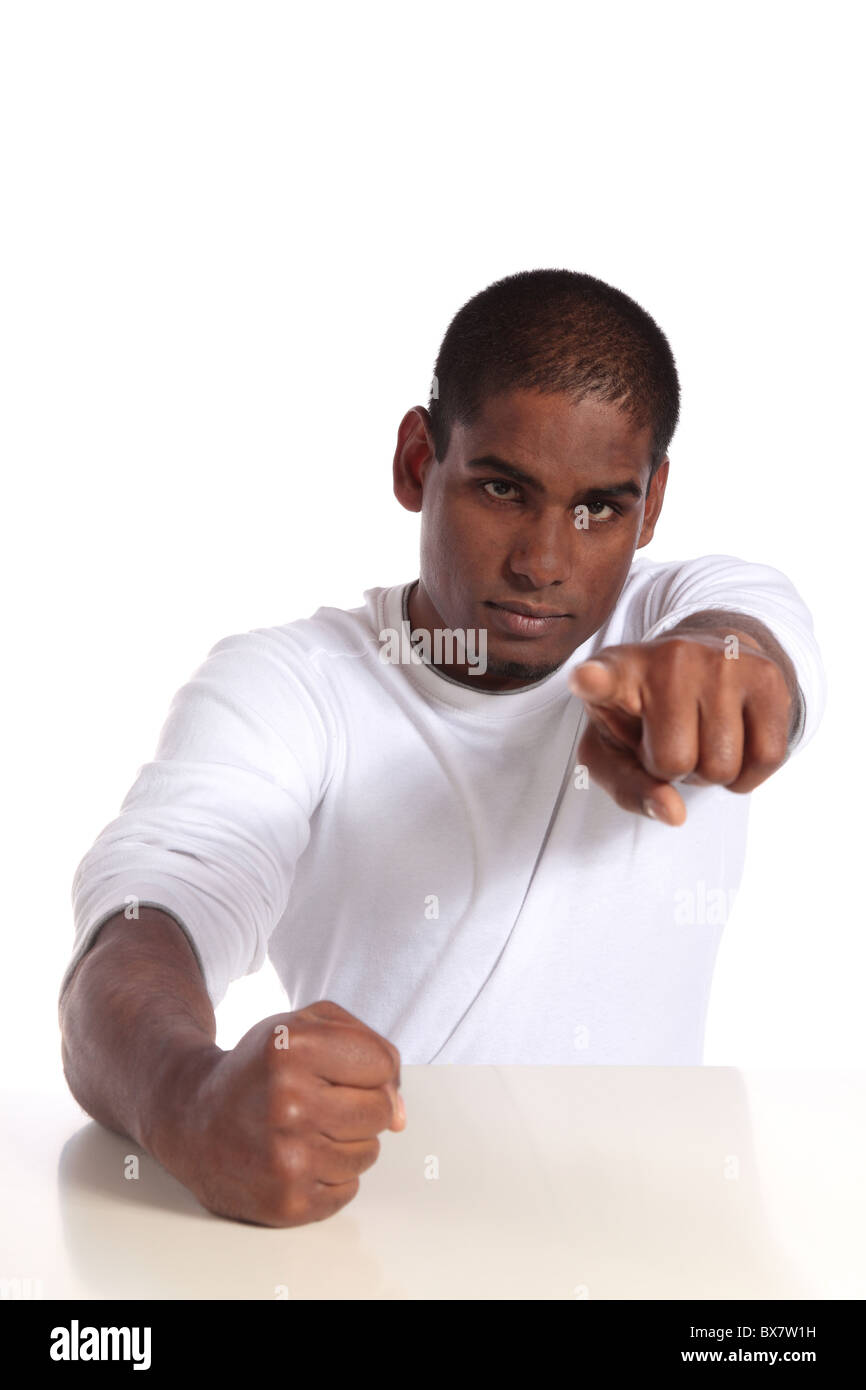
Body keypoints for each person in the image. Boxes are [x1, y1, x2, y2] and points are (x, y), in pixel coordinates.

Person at [58, 268, 826, 1227]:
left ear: (653, 501)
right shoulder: (290, 684)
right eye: (504, 488)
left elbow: (751, 650)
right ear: (418, 461)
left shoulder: (685, 611)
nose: (544, 562)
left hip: (662, 1248)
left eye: (600, 507)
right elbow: (140, 929)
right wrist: (189, 1100)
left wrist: (718, 682)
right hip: (377, 1245)